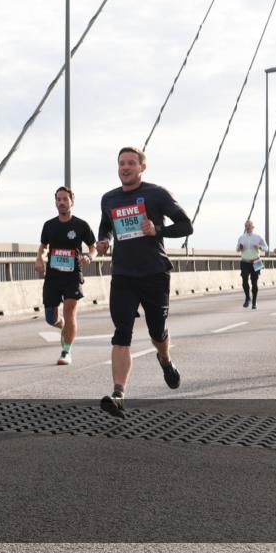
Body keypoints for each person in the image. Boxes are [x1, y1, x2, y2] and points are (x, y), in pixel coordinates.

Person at [95, 147, 193, 418]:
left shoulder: (157, 194)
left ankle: (165, 359)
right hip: (123, 275)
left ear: (142, 168)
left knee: (157, 332)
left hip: (154, 273)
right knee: (121, 333)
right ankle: (118, 394)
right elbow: (105, 225)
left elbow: (186, 226)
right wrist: (104, 241)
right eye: (121, 164)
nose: (125, 167)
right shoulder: (109, 199)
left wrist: (157, 229)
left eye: (130, 163)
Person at [35, 186, 97, 365]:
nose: (61, 202)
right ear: (55, 202)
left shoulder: (81, 225)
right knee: (50, 318)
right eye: (58, 199)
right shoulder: (49, 225)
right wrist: (39, 258)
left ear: (72, 202)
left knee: (70, 312)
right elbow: (43, 247)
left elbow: (93, 249)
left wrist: (89, 257)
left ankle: (66, 351)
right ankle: (62, 324)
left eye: (65, 199)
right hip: (53, 277)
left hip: (72, 276)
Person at [236, 220, 269, 309]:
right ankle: (247, 298)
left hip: (256, 261)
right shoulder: (241, 237)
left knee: (254, 283)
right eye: (246, 225)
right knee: (244, 280)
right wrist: (240, 248)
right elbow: (237, 249)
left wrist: (259, 247)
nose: (248, 227)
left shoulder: (258, 237)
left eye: (249, 225)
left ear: (253, 227)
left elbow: (266, 248)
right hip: (245, 261)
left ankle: (254, 302)